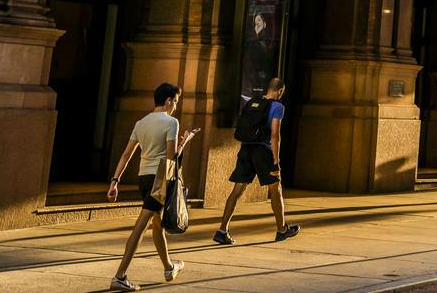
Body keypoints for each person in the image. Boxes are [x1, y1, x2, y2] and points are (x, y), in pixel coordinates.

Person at [107, 82, 198, 291]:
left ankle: (169, 267)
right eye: (175, 102)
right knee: (141, 225)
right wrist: (185, 142)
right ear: (168, 101)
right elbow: (170, 158)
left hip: (144, 178)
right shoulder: (171, 122)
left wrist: (115, 181)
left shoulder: (141, 123)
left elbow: (126, 155)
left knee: (157, 225)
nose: (175, 106)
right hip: (160, 179)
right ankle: (120, 276)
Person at [214, 78, 298, 246]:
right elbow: (275, 135)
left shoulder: (253, 102)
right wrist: (276, 160)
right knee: (276, 189)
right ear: (279, 91)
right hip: (263, 152)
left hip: (246, 149)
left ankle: (222, 230)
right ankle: (281, 230)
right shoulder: (278, 107)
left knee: (237, 190)